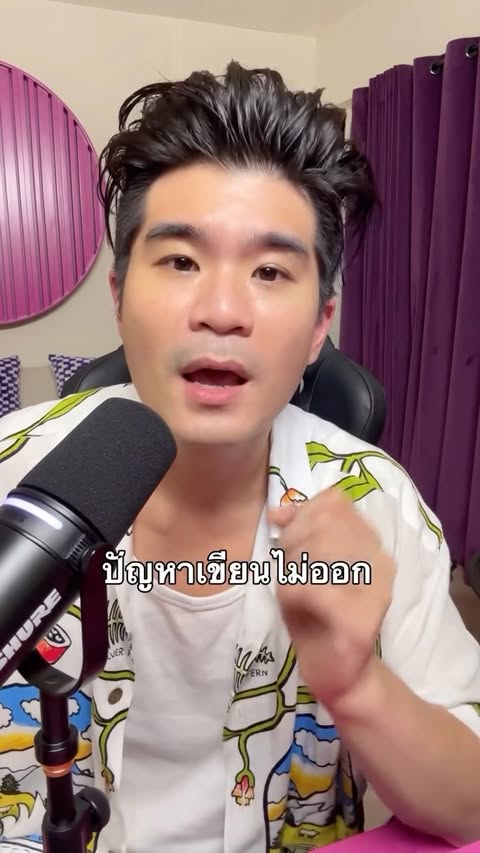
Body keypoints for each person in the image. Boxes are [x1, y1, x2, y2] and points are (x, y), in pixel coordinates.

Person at [0, 60, 479, 853]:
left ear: (320, 323)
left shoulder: (376, 504)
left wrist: (359, 686)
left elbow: (468, 807)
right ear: (119, 296)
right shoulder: (12, 474)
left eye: (270, 271)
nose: (222, 310)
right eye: (181, 261)